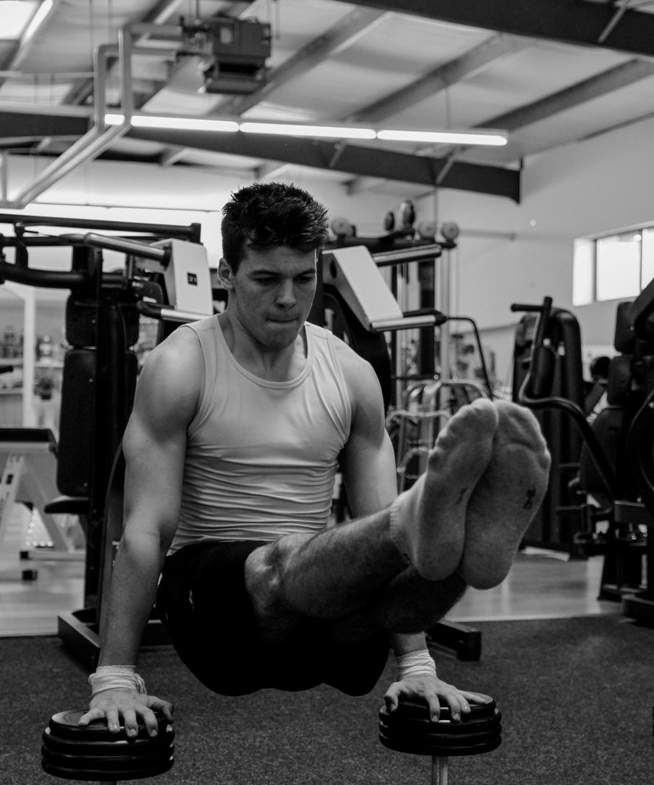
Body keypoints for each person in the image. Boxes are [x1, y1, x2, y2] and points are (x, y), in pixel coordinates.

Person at [80, 182, 551, 738]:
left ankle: (465, 557)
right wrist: (114, 677)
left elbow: (383, 534)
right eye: (266, 279)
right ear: (226, 274)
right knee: (281, 560)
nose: (288, 298)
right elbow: (145, 531)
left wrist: (417, 667)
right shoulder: (182, 365)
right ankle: (428, 512)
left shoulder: (350, 374)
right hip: (213, 617)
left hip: (317, 621)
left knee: (383, 577)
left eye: (304, 279)